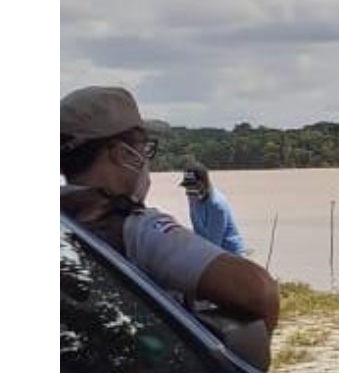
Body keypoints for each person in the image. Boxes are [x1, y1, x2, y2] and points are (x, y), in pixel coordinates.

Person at [60, 86, 279, 332]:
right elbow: (259, 292)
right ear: (123, 154)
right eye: (144, 147)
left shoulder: (64, 221)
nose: (145, 159)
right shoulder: (138, 228)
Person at [180, 162, 248, 255]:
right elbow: (198, 230)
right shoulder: (192, 197)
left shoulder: (216, 205)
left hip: (229, 254)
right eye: (187, 186)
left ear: (202, 184)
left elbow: (214, 245)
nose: (189, 191)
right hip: (207, 246)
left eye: (193, 186)